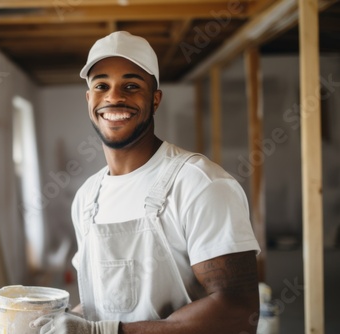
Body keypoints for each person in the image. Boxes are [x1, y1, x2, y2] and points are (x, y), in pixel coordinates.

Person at [37, 31, 261, 334]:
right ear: (89, 99)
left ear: (155, 99)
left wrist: (106, 332)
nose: (114, 97)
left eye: (131, 85)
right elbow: (103, 304)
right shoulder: (88, 197)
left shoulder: (200, 184)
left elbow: (237, 312)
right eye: (101, 85)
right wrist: (63, 323)